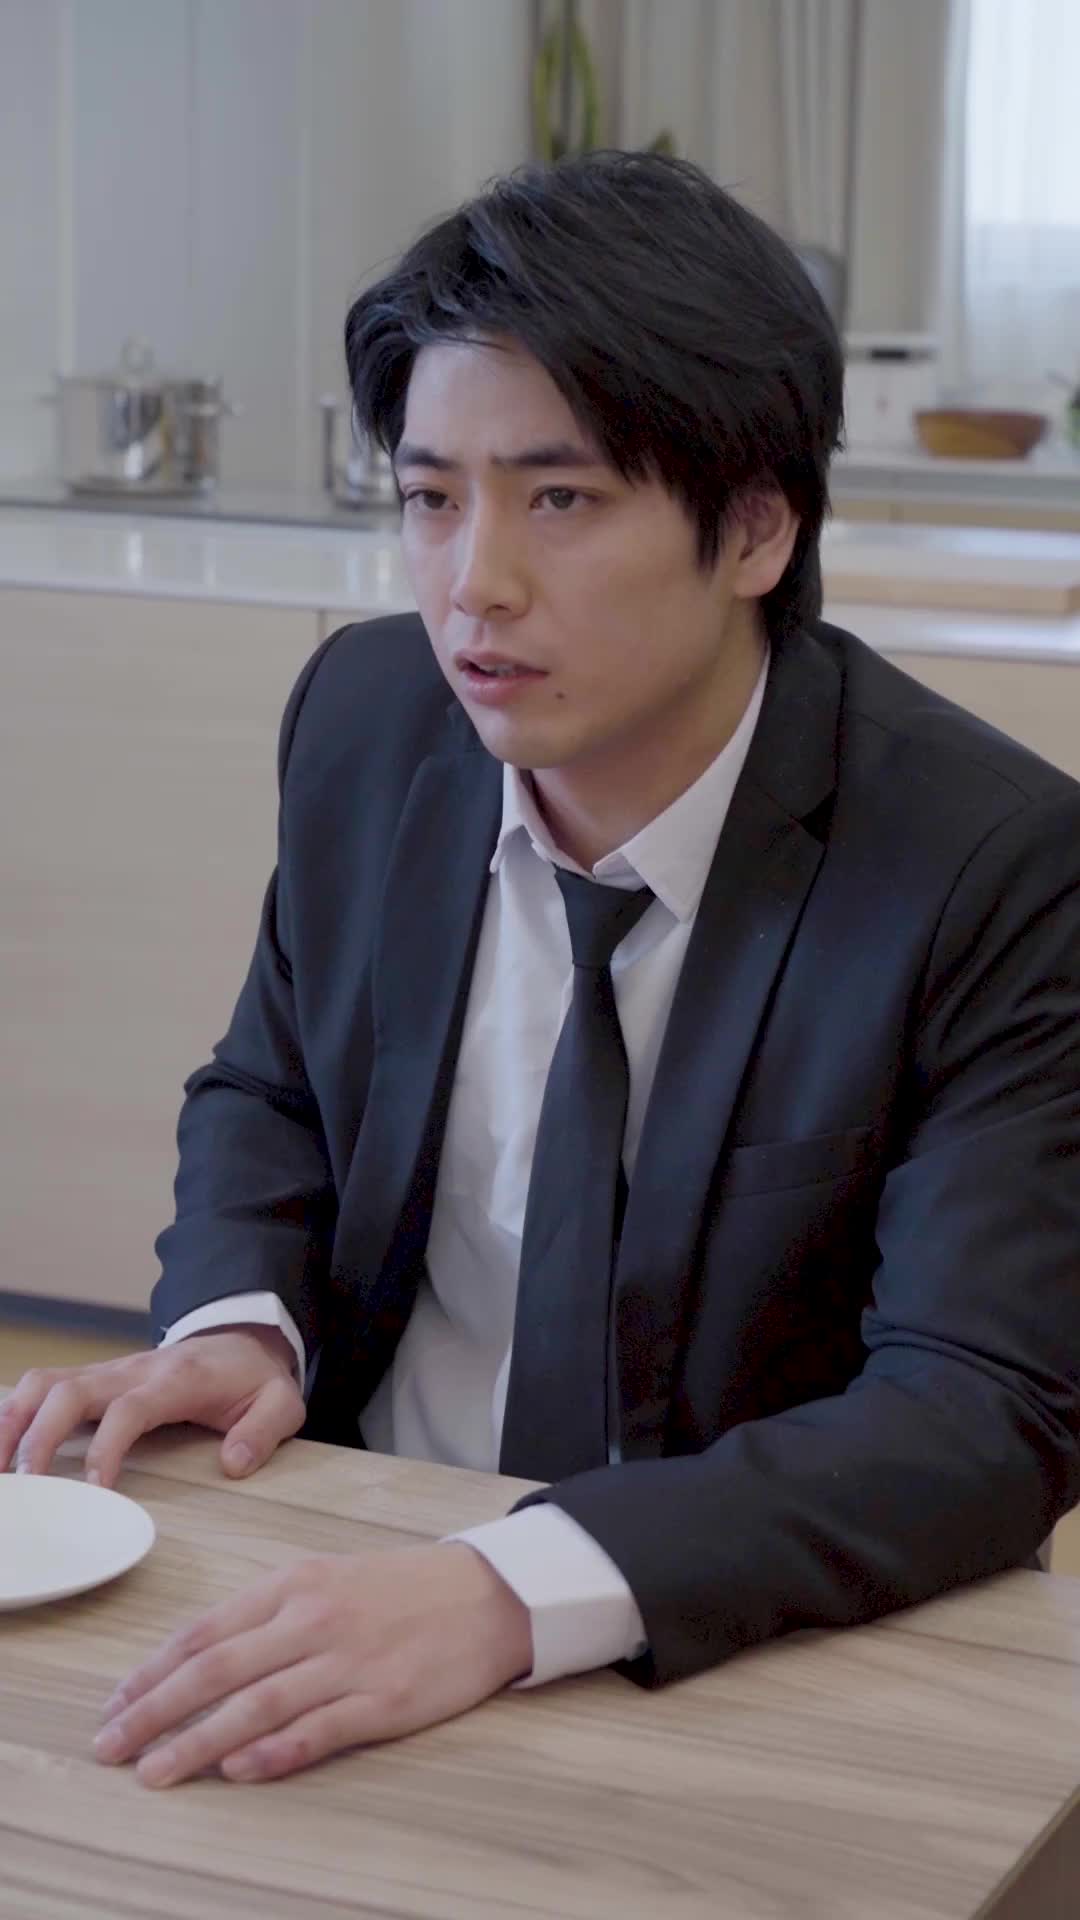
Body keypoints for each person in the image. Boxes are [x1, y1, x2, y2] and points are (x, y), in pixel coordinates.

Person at [3, 151, 1080, 1794]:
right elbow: (271, 1087)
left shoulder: (990, 866)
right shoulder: (367, 720)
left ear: (757, 528)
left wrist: (514, 1590)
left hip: (732, 1647)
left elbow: (980, 1408)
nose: (473, 586)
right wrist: (242, 1322)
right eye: (432, 497)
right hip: (349, 1562)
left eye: (559, 500)